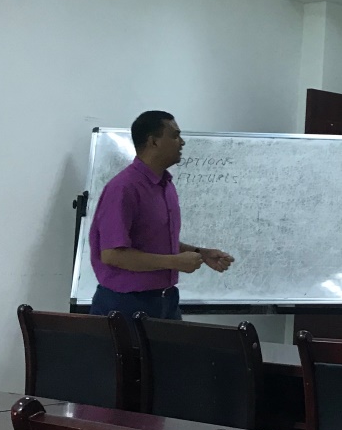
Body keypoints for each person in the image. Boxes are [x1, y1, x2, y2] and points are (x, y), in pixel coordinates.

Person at [88, 110, 234, 320]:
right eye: (175, 136)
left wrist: (201, 253)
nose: (182, 142)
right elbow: (112, 254)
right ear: (153, 142)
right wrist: (174, 262)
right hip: (125, 305)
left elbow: (155, 242)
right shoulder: (123, 188)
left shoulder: (165, 185)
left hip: (165, 301)